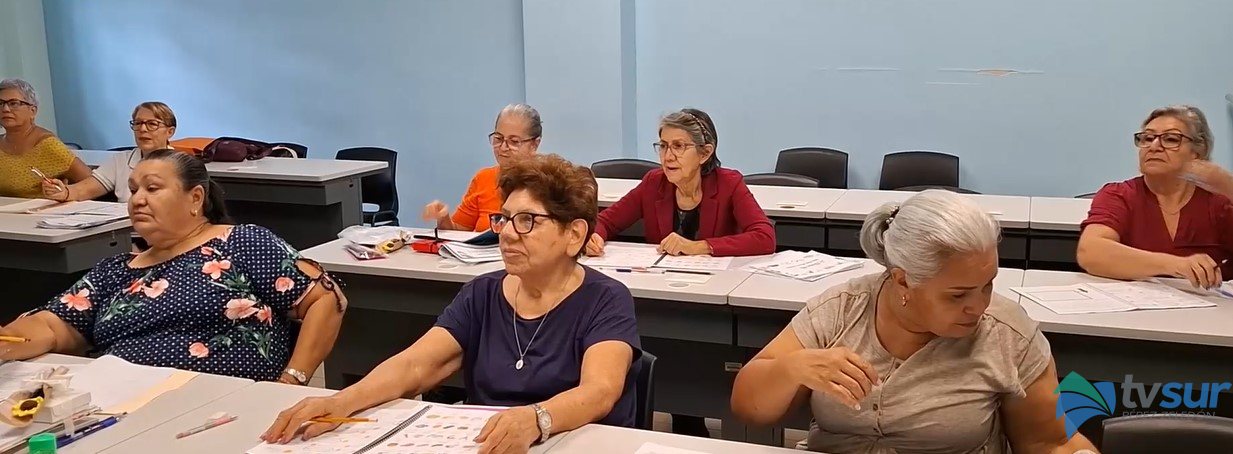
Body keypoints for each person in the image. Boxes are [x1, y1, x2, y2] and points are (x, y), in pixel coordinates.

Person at [264, 154, 640, 452]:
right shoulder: (483, 293)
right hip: (491, 444)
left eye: (527, 221)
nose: (508, 234)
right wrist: (343, 402)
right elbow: (416, 365)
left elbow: (600, 391)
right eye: (504, 219)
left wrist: (536, 419)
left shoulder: (605, 298)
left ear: (574, 234)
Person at [731, 190, 1096, 453]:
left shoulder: (1006, 333)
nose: (979, 306)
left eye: (987, 285)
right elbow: (749, 407)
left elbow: (1051, 442)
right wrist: (793, 368)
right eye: (957, 295)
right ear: (903, 279)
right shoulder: (843, 309)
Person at [0, 150, 346, 384]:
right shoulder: (115, 269)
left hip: (223, 401)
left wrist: (292, 380)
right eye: (133, 190)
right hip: (122, 402)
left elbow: (327, 299)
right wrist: (11, 339)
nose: (137, 199)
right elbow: (54, 325)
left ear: (195, 198)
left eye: (152, 189)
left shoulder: (240, 243)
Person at [1078, 105, 1233, 289]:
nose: (1153, 146)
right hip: (1135, 303)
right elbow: (1091, 252)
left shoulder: (1218, 202)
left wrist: (1230, 187)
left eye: (1171, 139)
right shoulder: (1119, 194)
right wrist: (1175, 265)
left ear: (1197, 152)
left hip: (1210, 305)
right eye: (1147, 138)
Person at [586, 108, 775, 258]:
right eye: (663, 146)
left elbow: (765, 237)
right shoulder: (654, 182)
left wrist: (699, 247)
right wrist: (595, 237)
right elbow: (605, 221)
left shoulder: (729, 184)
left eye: (678, 146)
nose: (668, 156)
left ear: (705, 153)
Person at [422, 103, 543, 232]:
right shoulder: (483, 178)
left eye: (514, 141)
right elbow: (458, 232)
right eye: (498, 138)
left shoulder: (548, 182)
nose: (503, 148)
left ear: (534, 145)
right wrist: (443, 218)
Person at [42, 102, 178, 202]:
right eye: (138, 123)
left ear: (170, 132)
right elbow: (84, 189)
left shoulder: (181, 165)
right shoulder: (120, 161)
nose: (142, 129)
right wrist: (63, 192)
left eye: (152, 124)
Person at [0, 78, 91, 198]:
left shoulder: (47, 144)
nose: (5, 109)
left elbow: (91, 182)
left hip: (39, 208)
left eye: (14, 103)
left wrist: (65, 192)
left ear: (32, 111)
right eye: (0, 103)